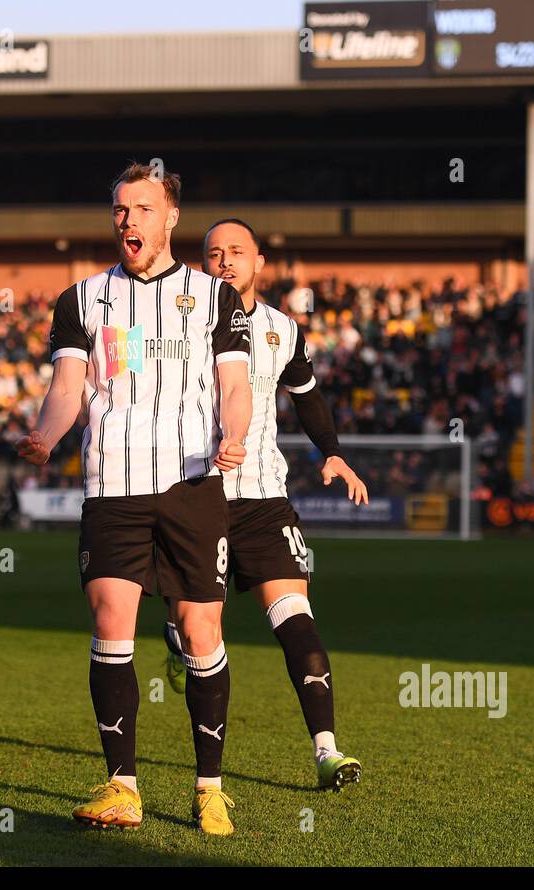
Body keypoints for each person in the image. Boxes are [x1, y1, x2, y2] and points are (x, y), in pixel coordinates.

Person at [16, 162, 252, 834]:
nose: (129, 221)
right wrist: (46, 434)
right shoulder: (83, 298)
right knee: (111, 620)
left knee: (201, 629)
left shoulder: (214, 298)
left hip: (192, 482)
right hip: (112, 483)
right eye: (121, 209)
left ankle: (209, 787)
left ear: (171, 217)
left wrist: (234, 436)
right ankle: (123, 785)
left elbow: (235, 387)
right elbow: (69, 385)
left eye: (143, 209)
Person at [162, 218, 368, 790]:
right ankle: (178, 640)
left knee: (296, 620)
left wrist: (332, 452)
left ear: (258, 264)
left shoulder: (283, 329)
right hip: (195, 496)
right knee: (198, 628)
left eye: (236, 252)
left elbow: (307, 398)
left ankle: (327, 751)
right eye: (212, 253)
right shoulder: (178, 323)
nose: (223, 260)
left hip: (263, 500)